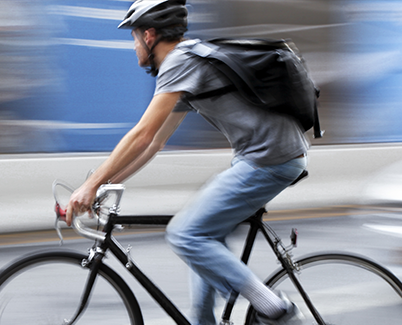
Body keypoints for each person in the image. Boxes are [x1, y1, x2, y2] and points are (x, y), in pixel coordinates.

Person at [65, 1, 309, 324]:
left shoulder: (179, 62)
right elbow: (155, 143)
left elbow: (141, 134)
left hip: (269, 159)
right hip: (264, 157)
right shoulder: (189, 62)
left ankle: (274, 308)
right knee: (203, 232)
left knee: (185, 234)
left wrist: (90, 184)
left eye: (135, 37)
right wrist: (107, 184)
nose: (134, 46)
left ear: (150, 35)